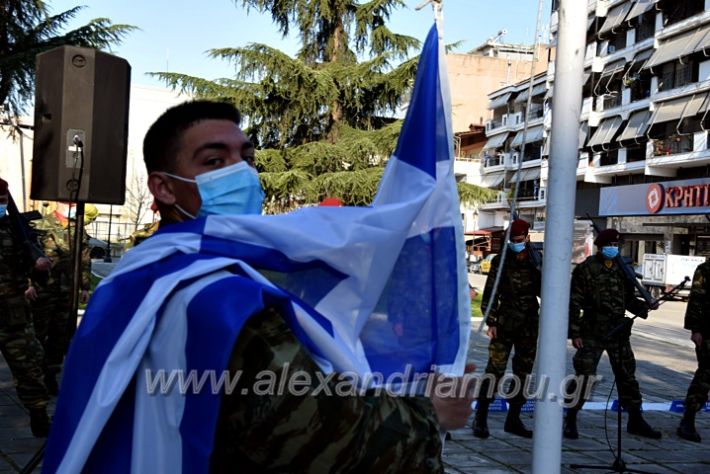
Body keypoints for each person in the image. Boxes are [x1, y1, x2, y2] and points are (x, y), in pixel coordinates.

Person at [45, 101, 475, 472]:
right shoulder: (220, 302)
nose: (241, 173)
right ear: (163, 187)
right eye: (214, 162)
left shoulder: (136, 274)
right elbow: (321, 438)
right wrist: (431, 414)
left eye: (245, 158)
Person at [564, 228, 661, 440]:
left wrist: (646, 306)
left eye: (616, 245)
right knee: (585, 375)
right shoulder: (585, 269)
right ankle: (569, 417)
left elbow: (629, 300)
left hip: (618, 330)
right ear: (600, 247)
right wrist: (574, 332)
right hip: (592, 330)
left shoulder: (622, 269)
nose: (613, 249)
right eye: (609, 245)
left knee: (627, 376)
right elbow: (573, 303)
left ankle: (636, 419)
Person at [473, 219, 541, 439]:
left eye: (519, 240)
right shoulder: (501, 261)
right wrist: (491, 321)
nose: (515, 243)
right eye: (512, 240)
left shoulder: (536, 260)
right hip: (504, 324)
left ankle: (514, 418)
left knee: (523, 372)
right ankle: (480, 417)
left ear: (528, 237)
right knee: (494, 370)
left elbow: (548, 291)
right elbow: (490, 293)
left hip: (529, 325)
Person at [0, 178, 52, 437]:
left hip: (13, 313)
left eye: (3, 202)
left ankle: (39, 416)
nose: (1, 206)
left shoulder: (17, 230)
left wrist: (39, 266)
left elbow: (37, 270)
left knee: (30, 366)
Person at [30, 205, 92, 395]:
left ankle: (50, 375)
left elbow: (84, 259)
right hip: (43, 289)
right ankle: (33, 376)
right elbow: (26, 256)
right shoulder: (39, 225)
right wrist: (28, 283)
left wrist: (85, 286)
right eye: (68, 204)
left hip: (67, 291)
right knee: (38, 333)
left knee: (60, 336)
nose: (72, 206)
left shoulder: (78, 227)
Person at [677, 259, 710, 442]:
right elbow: (696, 298)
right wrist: (695, 328)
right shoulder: (705, 269)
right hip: (707, 331)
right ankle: (688, 419)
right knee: (705, 374)